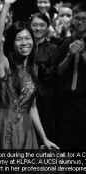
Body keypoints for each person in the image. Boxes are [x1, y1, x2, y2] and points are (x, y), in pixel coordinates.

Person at [0, 0, 58, 150]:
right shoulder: (4, 65)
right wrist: (6, 5)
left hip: (26, 130)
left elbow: (32, 108)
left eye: (27, 38)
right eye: (19, 39)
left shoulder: (34, 68)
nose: (24, 43)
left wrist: (44, 138)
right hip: (5, 127)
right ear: (12, 43)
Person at [57, 1, 86, 149]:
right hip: (67, 99)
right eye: (76, 18)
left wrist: (83, 54)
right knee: (67, 140)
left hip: (84, 99)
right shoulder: (67, 42)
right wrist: (69, 55)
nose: (79, 22)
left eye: (83, 19)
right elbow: (59, 71)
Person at [30, 12, 60, 143]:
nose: (38, 28)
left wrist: (37, 65)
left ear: (48, 27)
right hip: (26, 95)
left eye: (42, 25)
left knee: (46, 130)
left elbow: (51, 75)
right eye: (34, 25)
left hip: (46, 97)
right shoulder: (25, 46)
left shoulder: (53, 49)